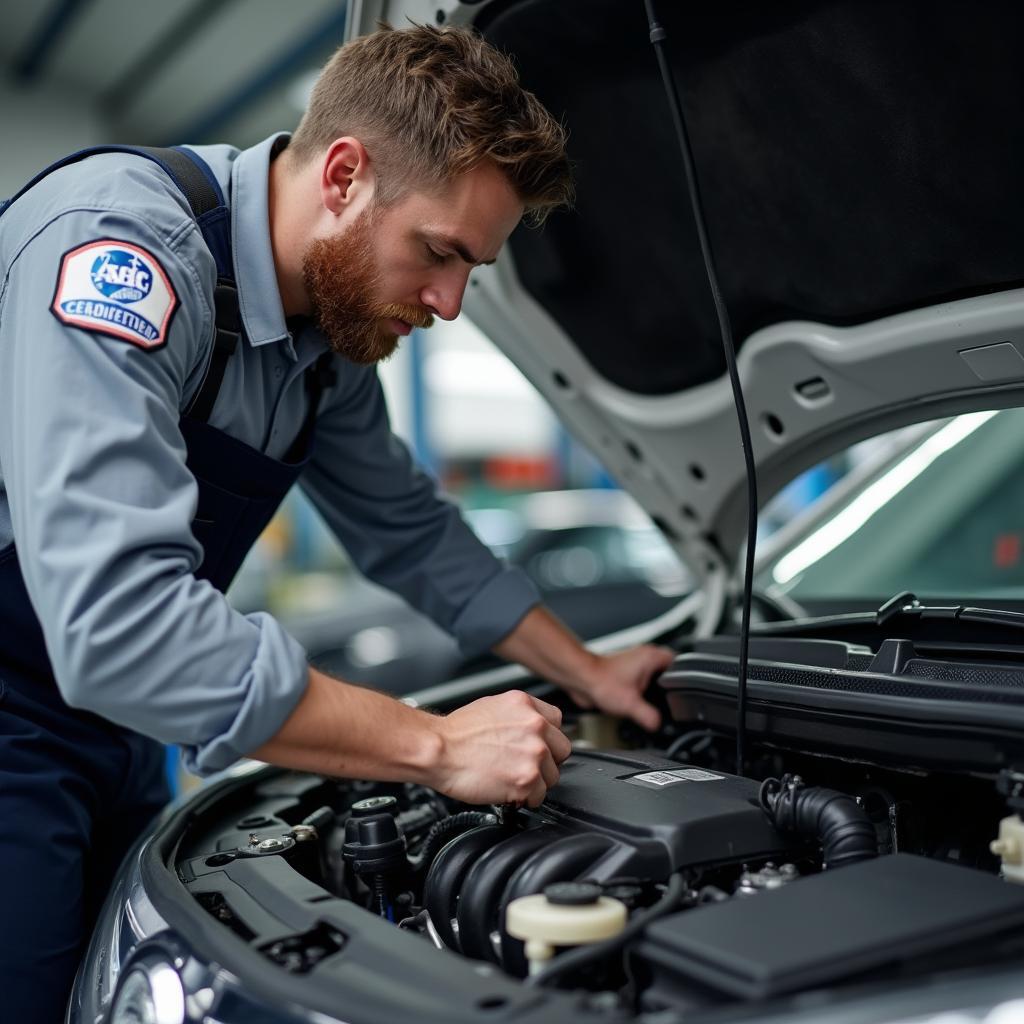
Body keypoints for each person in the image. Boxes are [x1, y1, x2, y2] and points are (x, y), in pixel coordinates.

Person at [0, 22, 673, 1020]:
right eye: (438, 253)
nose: (447, 301)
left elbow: (407, 530)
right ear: (345, 174)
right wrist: (437, 746)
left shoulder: (329, 343)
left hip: (122, 730)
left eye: (471, 272)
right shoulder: (124, 254)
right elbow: (121, 629)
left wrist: (594, 673)